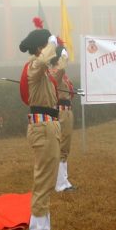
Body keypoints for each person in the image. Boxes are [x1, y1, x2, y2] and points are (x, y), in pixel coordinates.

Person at [19, 17, 68, 230]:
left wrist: (64, 58)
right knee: (43, 181)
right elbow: (42, 63)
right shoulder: (34, 65)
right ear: (41, 48)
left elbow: (56, 77)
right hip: (43, 127)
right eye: (48, 45)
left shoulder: (43, 70)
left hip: (49, 126)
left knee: (47, 180)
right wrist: (51, 46)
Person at [53, 61, 76, 192]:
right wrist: (62, 58)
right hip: (62, 111)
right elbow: (59, 74)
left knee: (65, 146)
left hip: (67, 110)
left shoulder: (62, 74)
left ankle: (64, 181)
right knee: (62, 145)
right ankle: (60, 184)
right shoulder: (56, 72)